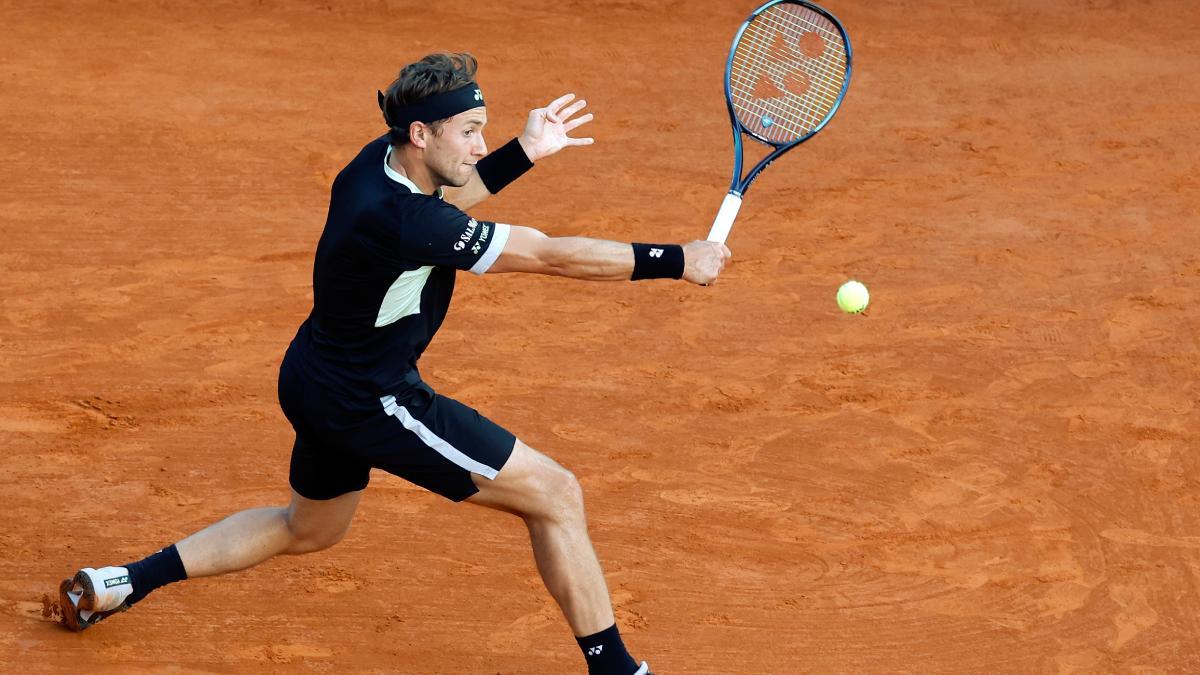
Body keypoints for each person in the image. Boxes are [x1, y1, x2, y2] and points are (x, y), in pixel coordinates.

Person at [57, 52, 730, 675]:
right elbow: (548, 253)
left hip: (312, 373)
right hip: (372, 397)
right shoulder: (407, 220)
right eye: (469, 130)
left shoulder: (373, 167)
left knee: (307, 526)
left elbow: (443, 204)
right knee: (555, 494)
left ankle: (123, 581)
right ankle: (618, 669)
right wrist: (677, 259)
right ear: (421, 133)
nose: (476, 144)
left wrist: (523, 151)